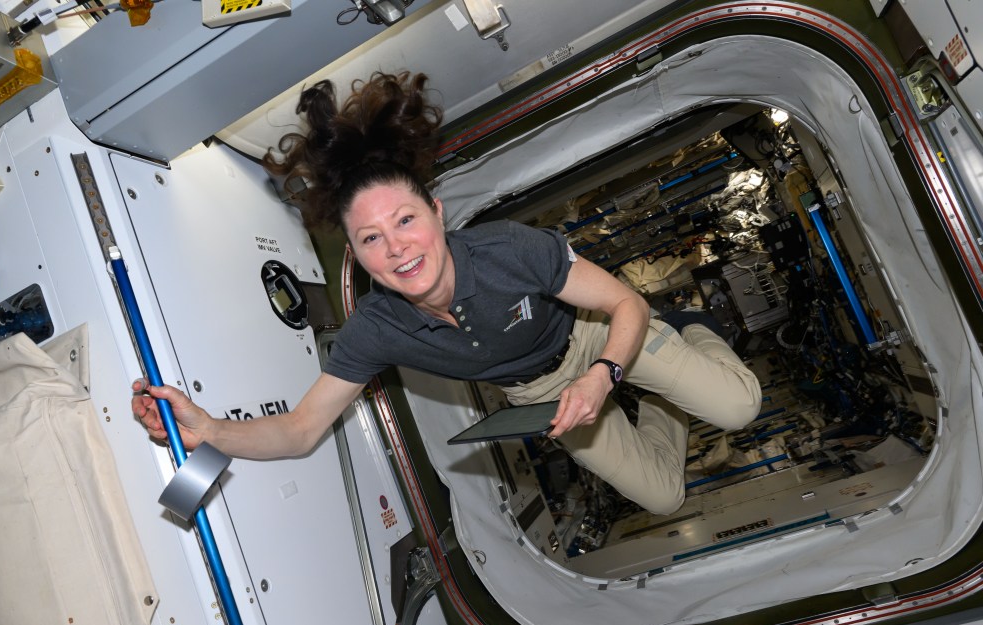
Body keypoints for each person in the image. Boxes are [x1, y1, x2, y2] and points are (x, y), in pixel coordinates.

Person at [132, 72, 761, 515]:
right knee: (664, 496)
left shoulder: (511, 249)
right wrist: (209, 429)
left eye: (406, 221)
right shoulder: (376, 328)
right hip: (540, 394)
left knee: (737, 410)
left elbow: (625, 303)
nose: (398, 248)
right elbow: (300, 431)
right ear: (356, 254)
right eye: (372, 238)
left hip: (598, 339)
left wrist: (603, 375)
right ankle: (669, 401)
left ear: (436, 214)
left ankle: (694, 332)